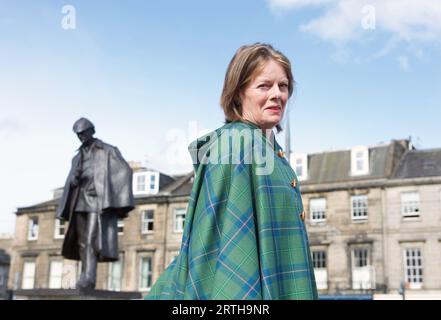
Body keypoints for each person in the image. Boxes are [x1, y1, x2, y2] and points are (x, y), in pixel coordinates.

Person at [146, 43, 318, 299]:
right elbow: (223, 253)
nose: (277, 95)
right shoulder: (235, 145)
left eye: (283, 86)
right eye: (264, 85)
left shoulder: (267, 149)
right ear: (238, 93)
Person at [56, 118, 135, 290]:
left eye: (83, 133)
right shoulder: (77, 157)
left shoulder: (107, 150)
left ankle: (89, 278)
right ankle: (84, 276)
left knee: (92, 239)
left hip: (96, 201)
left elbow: (125, 171)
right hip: (79, 200)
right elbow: (70, 180)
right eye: (78, 134)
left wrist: (111, 194)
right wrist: (74, 180)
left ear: (91, 131)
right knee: (82, 242)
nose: (81, 137)